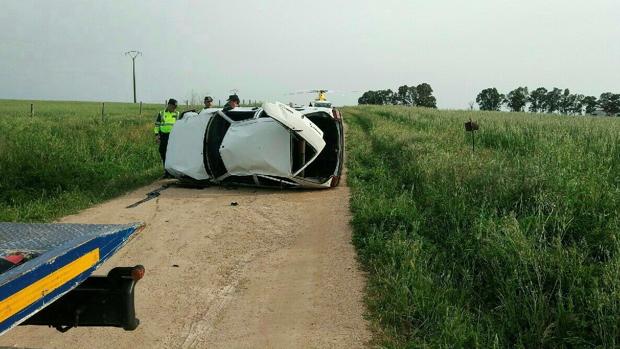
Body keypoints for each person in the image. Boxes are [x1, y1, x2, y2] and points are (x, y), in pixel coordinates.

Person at [154, 98, 179, 178]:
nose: (174, 108)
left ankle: (173, 172)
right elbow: (157, 125)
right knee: (162, 152)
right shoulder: (161, 113)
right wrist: (157, 135)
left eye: (176, 107)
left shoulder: (177, 114)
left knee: (173, 154)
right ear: (169, 105)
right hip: (163, 136)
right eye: (173, 106)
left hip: (173, 137)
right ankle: (166, 172)